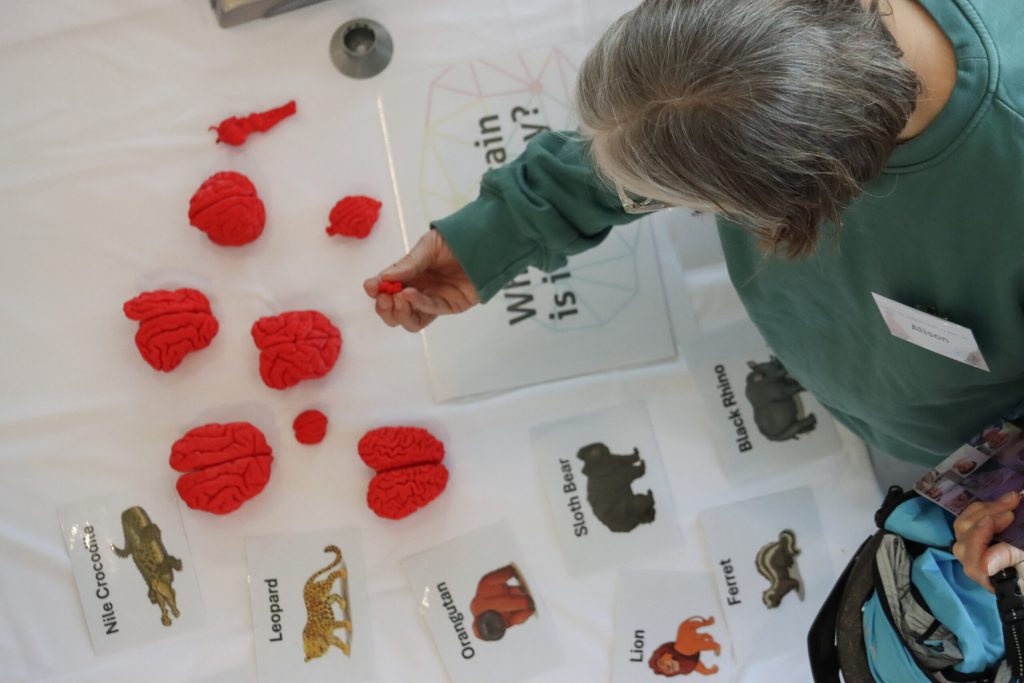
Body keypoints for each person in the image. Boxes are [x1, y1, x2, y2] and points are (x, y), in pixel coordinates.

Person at [364, 0, 1024, 588]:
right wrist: (497, 234)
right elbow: (672, 118)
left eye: (689, 203)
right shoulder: (767, 70)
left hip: (954, 430)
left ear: (806, 192)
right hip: (856, 361)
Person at [469, 564, 536, 641]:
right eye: (493, 630)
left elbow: (506, 603)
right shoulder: (501, 625)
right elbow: (514, 620)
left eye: (489, 624)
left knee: (503, 574)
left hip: (493, 587)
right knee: (516, 602)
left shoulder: (480, 608)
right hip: (508, 594)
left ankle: (510, 572)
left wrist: (526, 603)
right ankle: (517, 590)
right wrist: (529, 611)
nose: (497, 625)